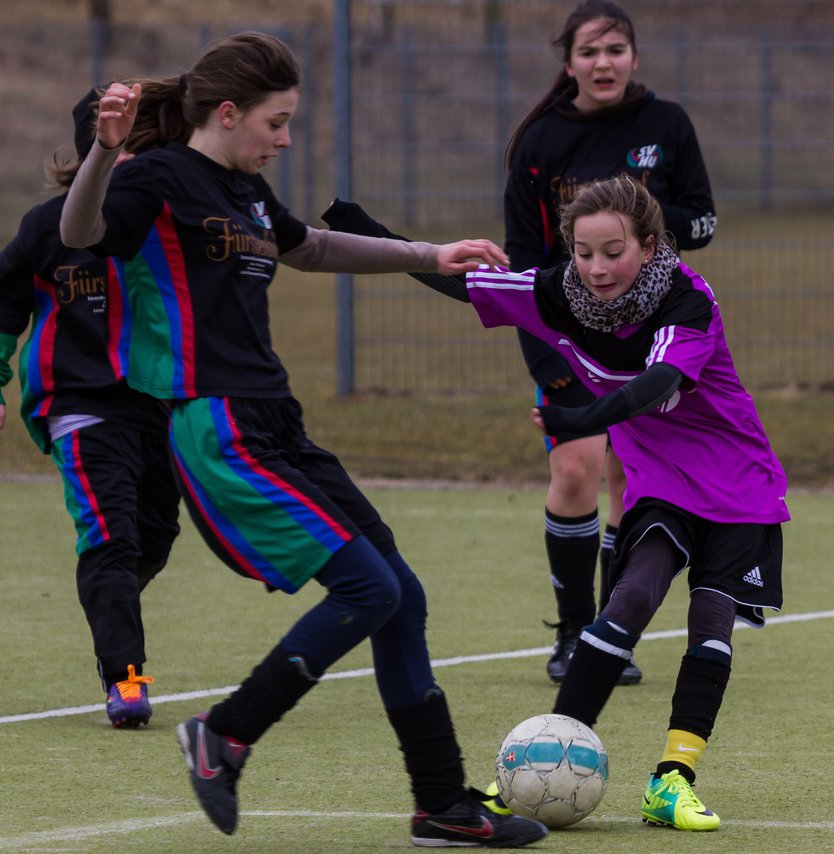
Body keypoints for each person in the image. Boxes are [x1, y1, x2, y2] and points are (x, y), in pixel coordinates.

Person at [59, 33, 546, 848]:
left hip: (275, 419)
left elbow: (311, 247)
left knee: (402, 596)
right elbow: (80, 234)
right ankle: (227, 734)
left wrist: (430, 253)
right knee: (368, 592)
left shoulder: (245, 191)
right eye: (276, 123)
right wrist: (103, 156)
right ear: (227, 113)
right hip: (215, 425)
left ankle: (439, 805)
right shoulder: (156, 177)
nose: (285, 139)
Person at [324, 174, 786, 832]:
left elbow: (657, 383)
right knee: (629, 599)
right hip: (660, 476)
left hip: (738, 480)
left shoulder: (687, 298)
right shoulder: (557, 293)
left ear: (650, 246)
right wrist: (360, 226)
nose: (597, 268)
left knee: (709, 626)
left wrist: (584, 415)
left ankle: (673, 781)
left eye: (613, 251)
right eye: (583, 251)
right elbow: (461, 282)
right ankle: (533, 769)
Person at [504, 0, 717, 686]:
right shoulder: (539, 142)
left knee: (633, 479)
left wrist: (634, 216)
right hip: (568, 336)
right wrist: (545, 356)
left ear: (634, 58)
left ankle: (609, 636)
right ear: (568, 63)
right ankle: (571, 632)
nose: (604, 63)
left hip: (649, 334)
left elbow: (706, 223)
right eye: (589, 52)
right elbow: (520, 265)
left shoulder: (666, 124)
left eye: (616, 49)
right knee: (575, 470)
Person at [0, 88, 181, 730]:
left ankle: (108, 600)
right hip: (77, 405)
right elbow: (5, 303)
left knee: (156, 533)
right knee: (110, 536)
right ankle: (125, 678)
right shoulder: (50, 228)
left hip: (155, 405)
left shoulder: (161, 222)